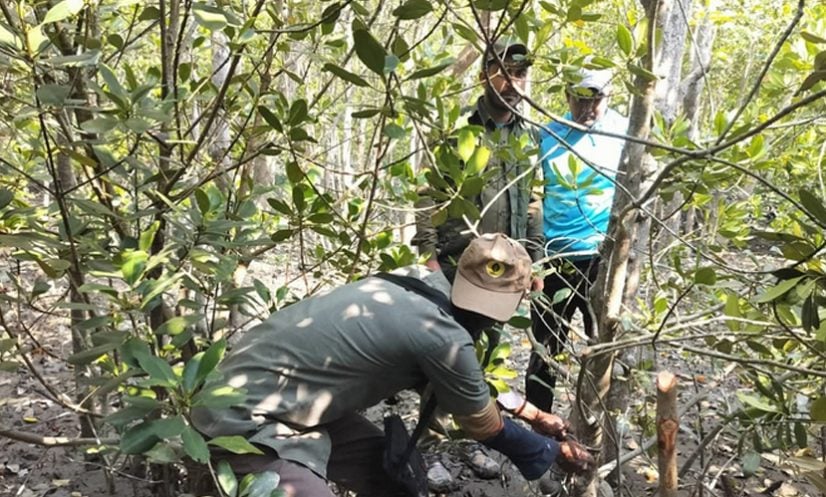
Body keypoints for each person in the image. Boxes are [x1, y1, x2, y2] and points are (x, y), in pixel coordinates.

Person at [191, 233, 593, 497]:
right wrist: (550, 450)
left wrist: (534, 414)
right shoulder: (443, 336)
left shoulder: (414, 281)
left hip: (281, 399)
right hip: (240, 419)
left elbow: (467, 386)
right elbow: (481, 423)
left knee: (392, 474)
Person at [526, 67, 630, 412]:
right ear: (567, 96)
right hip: (554, 258)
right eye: (580, 99)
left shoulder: (625, 133)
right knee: (544, 349)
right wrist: (534, 258)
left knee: (603, 349)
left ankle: (594, 424)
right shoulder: (547, 135)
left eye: (595, 100)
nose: (587, 109)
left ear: (608, 98)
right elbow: (533, 198)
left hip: (603, 259)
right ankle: (539, 425)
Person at [412, 38, 544, 270]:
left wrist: (537, 264)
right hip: (457, 266)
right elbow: (426, 192)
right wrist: (429, 257)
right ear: (484, 77)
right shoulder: (453, 128)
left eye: (520, 74)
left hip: (512, 268)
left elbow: (534, 204)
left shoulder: (530, 136)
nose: (513, 82)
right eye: (504, 72)